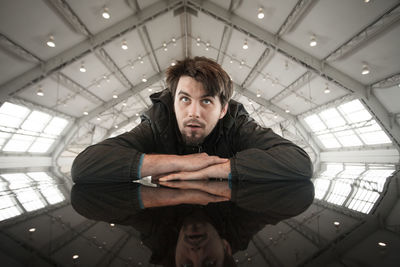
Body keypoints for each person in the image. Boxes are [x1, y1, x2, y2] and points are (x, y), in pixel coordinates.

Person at [71, 56, 313, 184]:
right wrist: (182, 163)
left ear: (222, 110)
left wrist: (211, 170)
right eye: (185, 99)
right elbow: (85, 166)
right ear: (173, 103)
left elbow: (299, 162)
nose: (193, 112)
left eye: (206, 101)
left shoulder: (237, 124)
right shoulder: (158, 123)